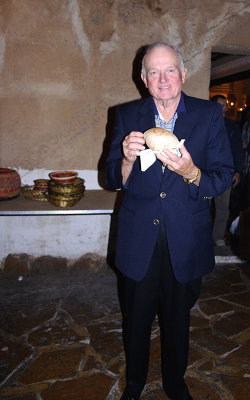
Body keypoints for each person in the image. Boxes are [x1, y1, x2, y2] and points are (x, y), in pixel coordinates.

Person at [105, 42, 234, 400]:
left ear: (183, 74)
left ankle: (175, 384)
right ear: (143, 78)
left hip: (185, 237)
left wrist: (193, 173)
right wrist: (126, 162)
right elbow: (110, 178)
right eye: (154, 72)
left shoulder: (208, 115)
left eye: (170, 70)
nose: (163, 79)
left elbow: (223, 176)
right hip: (138, 237)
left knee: (178, 319)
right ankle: (134, 384)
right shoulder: (127, 114)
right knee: (136, 319)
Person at [210, 95, 244, 245]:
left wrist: (238, 171)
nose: (226, 107)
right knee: (202, 207)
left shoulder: (232, 126)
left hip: (225, 173)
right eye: (222, 105)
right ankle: (200, 235)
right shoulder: (206, 123)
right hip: (206, 172)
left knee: (223, 207)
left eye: (226, 105)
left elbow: (237, 149)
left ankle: (217, 237)